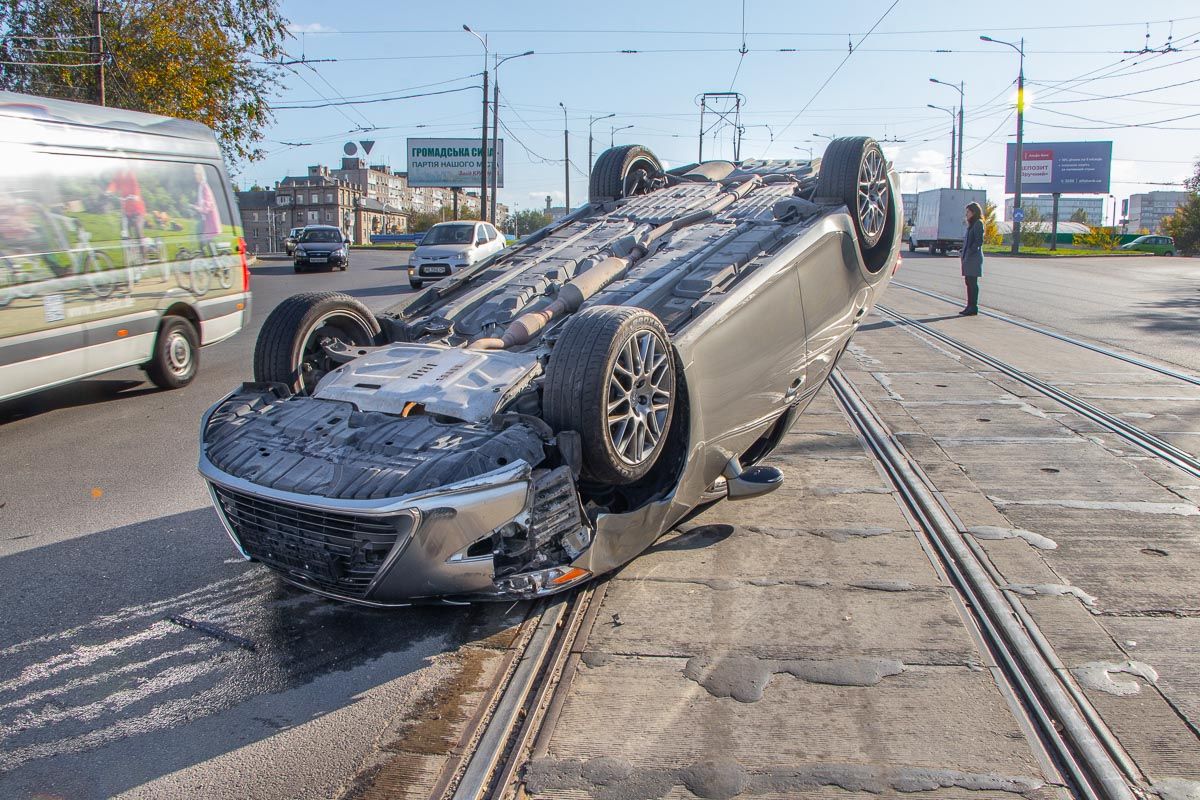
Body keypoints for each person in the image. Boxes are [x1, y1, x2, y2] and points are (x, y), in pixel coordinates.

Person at [960, 202, 984, 316]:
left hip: (973, 258)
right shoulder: (971, 224)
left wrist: (969, 251)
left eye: (968, 212)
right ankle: (969, 306)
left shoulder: (978, 223)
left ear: (974, 212)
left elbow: (978, 241)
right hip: (968, 258)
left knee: (972, 283)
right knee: (968, 282)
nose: (966, 214)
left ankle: (973, 307)